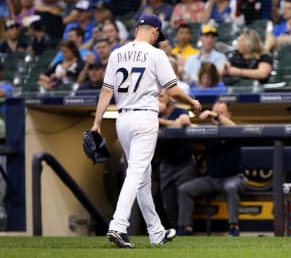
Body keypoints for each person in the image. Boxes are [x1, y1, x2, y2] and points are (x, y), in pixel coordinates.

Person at [90, 13, 201, 248]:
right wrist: (192, 102)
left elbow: (106, 92)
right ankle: (119, 225)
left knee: (141, 176)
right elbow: (172, 91)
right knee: (136, 173)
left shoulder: (117, 53)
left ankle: (156, 231)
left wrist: (97, 122)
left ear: (135, 30)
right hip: (144, 117)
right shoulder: (156, 54)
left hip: (123, 120)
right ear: (155, 31)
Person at [177, 101, 246, 237]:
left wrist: (214, 114)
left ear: (228, 115)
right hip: (212, 179)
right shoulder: (208, 131)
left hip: (234, 178)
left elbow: (233, 127)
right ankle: (186, 227)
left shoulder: (233, 129)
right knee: (184, 189)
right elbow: (193, 129)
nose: (215, 116)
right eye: (214, 112)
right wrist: (187, 122)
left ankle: (233, 227)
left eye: (220, 113)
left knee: (230, 187)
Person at [156, 88, 196, 230]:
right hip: (166, 164)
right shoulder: (154, 113)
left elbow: (180, 124)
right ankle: (174, 229)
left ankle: (186, 228)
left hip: (184, 162)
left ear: (169, 97)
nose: (158, 99)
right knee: (168, 202)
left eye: (161, 96)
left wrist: (158, 120)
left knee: (184, 197)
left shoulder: (180, 111)